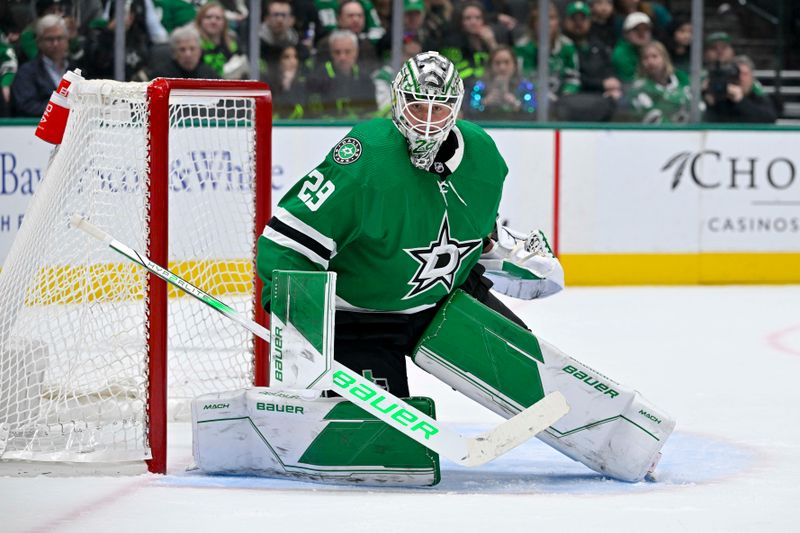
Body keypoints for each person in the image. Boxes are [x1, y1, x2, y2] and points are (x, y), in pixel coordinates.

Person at [257, 50, 562, 399]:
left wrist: (497, 245)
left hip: (444, 304)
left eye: (440, 108)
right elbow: (286, 242)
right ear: (398, 101)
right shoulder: (366, 159)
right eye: (417, 106)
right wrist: (299, 317)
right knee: (378, 440)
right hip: (360, 319)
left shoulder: (483, 155)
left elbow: (477, 228)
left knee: (535, 379)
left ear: (457, 108)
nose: (427, 121)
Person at [561, 0, 620, 121]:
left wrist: (612, 82)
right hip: (571, 99)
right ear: (566, 21)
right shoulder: (562, 47)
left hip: (600, 98)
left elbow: (608, 68)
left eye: (582, 19)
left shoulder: (598, 45)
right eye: (574, 19)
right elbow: (568, 76)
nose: (578, 23)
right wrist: (601, 84)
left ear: (589, 21)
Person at [306, 29, 376, 119]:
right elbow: (313, 113)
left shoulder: (366, 79)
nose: (342, 57)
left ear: (356, 52)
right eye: (337, 52)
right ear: (331, 53)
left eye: (347, 52)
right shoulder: (316, 78)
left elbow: (371, 113)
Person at [10, 14, 71, 117]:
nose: (55, 43)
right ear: (39, 42)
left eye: (59, 38)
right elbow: (26, 106)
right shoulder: (27, 72)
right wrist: (63, 109)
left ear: (67, 41)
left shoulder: (77, 68)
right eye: (50, 39)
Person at [466, 45, 536, 120]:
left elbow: (533, 112)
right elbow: (468, 112)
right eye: (497, 63)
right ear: (490, 66)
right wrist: (484, 103)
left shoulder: (525, 86)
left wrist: (517, 104)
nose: (502, 67)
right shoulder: (480, 86)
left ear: (515, 65)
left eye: (507, 62)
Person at [628, 40, 689, 123]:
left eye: (654, 56)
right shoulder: (639, 89)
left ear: (665, 58)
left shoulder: (681, 79)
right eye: (645, 58)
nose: (650, 62)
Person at [703, 55, 776, 124]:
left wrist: (741, 101)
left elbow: (769, 119)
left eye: (745, 74)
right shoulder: (721, 99)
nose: (741, 78)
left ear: (752, 78)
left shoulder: (758, 98)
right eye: (737, 74)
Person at [143, 23, 219, 79]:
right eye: (182, 49)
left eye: (192, 49)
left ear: (199, 51)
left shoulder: (210, 75)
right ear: (174, 53)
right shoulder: (161, 77)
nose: (188, 54)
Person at [194, 2, 247, 79]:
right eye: (208, 17)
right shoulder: (193, 44)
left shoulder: (233, 42)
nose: (213, 21)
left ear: (224, 23)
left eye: (218, 18)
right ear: (200, 20)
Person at [611, 11, 652, 83]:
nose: (641, 34)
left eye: (645, 29)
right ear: (626, 33)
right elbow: (630, 81)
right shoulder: (620, 53)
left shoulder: (654, 48)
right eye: (636, 29)